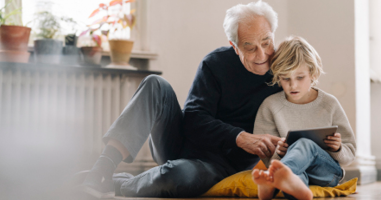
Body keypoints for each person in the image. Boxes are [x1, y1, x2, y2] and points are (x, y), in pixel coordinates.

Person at [80, 1, 283, 198]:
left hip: (220, 167)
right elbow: (194, 119)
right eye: (250, 47)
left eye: (266, 42)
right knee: (155, 84)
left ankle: (118, 182)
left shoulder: (284, 74)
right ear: (234, 45)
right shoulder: (215, 64)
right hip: (178, 143)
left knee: (179, 176)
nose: (262, 54)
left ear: (273, 35)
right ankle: (101, 171)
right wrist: (239, 137)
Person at [251, 36, 357, 200]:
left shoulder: (329, 103)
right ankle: (292, 187)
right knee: (294, 178)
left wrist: (338, 148)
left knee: (304, 143)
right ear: (278, 77)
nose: (293, 85)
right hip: (294, 172)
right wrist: (278, 153)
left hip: (327, 173)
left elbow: (350, 150)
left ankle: (272, 183)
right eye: (286, 78)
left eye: (300, 78)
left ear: (312, 74)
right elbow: (266, 156)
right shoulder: (270, 105)